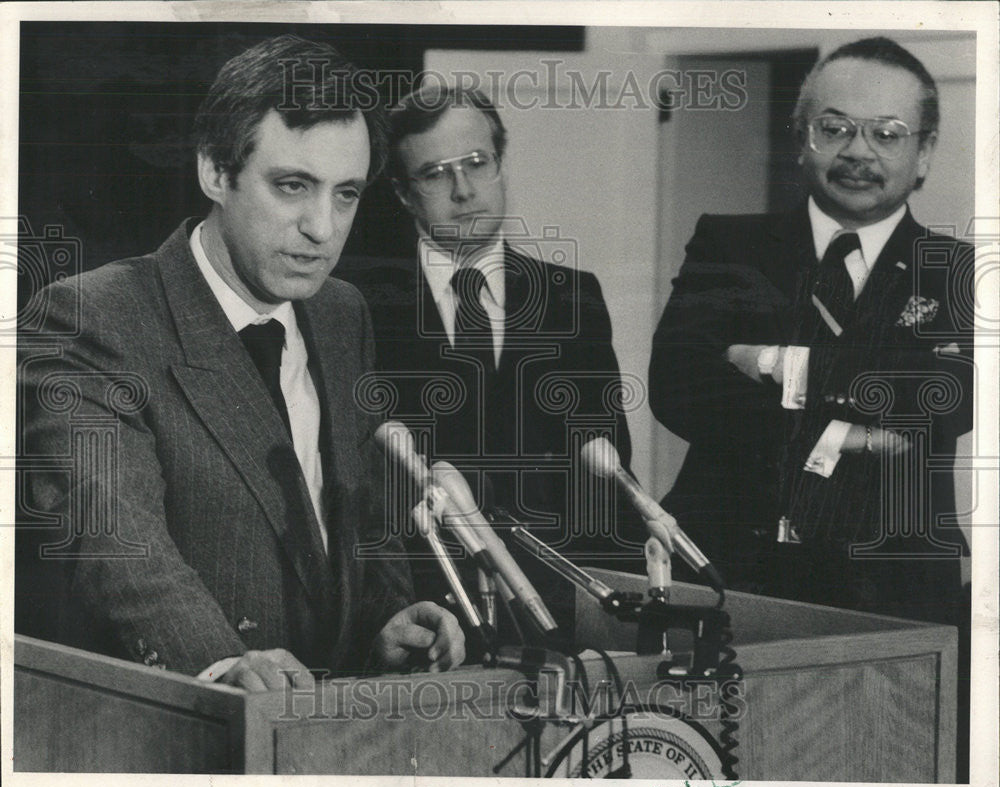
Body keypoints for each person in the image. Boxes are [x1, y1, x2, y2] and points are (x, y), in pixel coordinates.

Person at [16, 35, 464, 692]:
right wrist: (221, 668)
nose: (323, 227)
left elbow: (350, 528)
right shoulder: (91, 317)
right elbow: (116, 538)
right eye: (292, 186)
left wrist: (385, 624)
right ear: (215, 174)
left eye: (346, 194)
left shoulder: (343, 313)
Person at [649, 37, 973, 625]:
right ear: (802, 138)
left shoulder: (958, 270)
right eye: (836, 128)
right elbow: (679, 386)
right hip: (730, 569)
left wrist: (780, 365)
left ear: (924, 151)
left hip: (895, 583)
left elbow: (951, 398)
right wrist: (859, 432)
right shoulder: (730, 246)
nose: (859, 152)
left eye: (887, 133)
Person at [340, 85, 641, 635]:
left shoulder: (571, 296)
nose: (463, 190)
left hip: (555, 605)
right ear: (404, 194)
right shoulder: (353, 303)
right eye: (434, 174)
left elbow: (605, 465)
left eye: (477, 163)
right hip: (417, 611)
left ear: (501, 163)